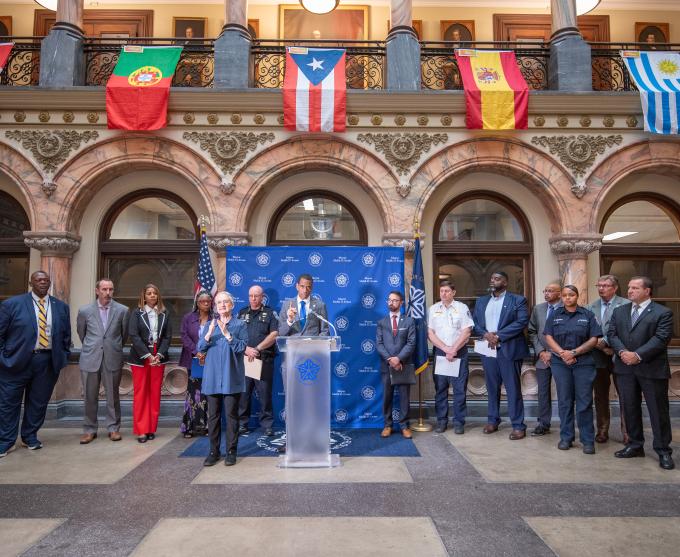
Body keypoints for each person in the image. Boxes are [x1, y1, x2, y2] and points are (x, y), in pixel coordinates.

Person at [0, 271, 71, 457]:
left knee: (38, 403)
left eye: (46, 280)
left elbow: (65, 336)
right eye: (39, 280)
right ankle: (6, 441)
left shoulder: (60, 307)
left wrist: (62, 355)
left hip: (46, 362)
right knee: (9, 403)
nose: (43, 283)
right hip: (15, 362)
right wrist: (4, 358)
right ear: (31, 282)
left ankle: (29, 436)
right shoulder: (12, 305)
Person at [607, 276, 675, 470]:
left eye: (635, 288)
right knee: (629, 408)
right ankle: (635, 446)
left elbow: (661, 338)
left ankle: (663, 451)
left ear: (647, 291)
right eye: (629, 288)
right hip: (625, 368)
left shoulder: (663, 312)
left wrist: (637, 355)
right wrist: (622, 353)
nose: (629, 291)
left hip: (651, 368)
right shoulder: (620, 311)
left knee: (657, 411)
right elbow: (612, 334)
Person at [543, 285, 602, 454]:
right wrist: (563, 354)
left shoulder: (588, 315)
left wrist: (575, 352)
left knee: (584, 402)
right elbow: (548, 336)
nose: (568, 298)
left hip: (583, 362)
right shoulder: (554, 315)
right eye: (565, 295)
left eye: (571, 295)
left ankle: (587, 440)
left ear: (577, 296)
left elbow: (594, 339)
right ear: (561, 297)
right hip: (560, 363)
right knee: (565, 401)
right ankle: (566, 437)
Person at [473, 271, 529, 440]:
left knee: (512, 389)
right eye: (492, 278)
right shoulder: (482, 301)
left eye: (497, 278)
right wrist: (485, 334)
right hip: (487, 349)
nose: (493, 280)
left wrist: (498, 336)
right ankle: (493, 420)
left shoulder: (517, 300)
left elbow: (521, 322)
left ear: (505, 282)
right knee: (491, 387)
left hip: (508, 349)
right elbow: (475, 323)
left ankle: (518, 425)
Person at [77, 278, 129, 444]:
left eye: (111, 289)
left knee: (113, 395)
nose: (108, 293)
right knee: (89, 396)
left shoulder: (122, 310)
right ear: (97, 290)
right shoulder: (85, 311)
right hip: (90, 358)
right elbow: (82, 333)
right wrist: (94, 345)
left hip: (112, 357)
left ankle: (113, 428)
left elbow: (124, 334)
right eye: (104, 289)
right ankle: (89, 429)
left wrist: (112, 347)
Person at [199, 291, 248, 467]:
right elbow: (200, 348)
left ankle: (231, 452)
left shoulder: (240, 324)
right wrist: (209, 332)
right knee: (213, 417)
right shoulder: (209, 324)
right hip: (212, 378)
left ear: (232, 305)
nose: (222, 305)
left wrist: (227, 333)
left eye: (225, 302)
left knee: (231, 416)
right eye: (218, 303)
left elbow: (241, 347)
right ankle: (213, 452)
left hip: (230, 377)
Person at [586, 274, 630, 444]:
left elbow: (626, 330)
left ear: (615, 288)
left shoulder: (625, 304)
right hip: (598, 357)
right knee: (600, 395)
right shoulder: (591, 306)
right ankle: (602, 430)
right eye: (599, 285)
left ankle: (627, 432)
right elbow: (589, 329)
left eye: (605, 285)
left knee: (625, 395)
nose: (601, 288)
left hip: (620, 355)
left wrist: (610, 345)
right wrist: (601, 344)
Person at [427, 280, 473, 434]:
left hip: (459, 353)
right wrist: (445, 348)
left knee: (459, 390)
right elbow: (430, 333)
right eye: (441, 291)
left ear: (453, 292)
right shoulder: (433, 309)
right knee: (441, 389)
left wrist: (453, 349)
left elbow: (466, 331)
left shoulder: (462, 308)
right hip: (441, 353)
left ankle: (459, 422)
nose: (443, 294)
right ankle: (441, 421)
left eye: (447, 291)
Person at [128, 284, 172, 444]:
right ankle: (141, 430)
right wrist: (148, 356)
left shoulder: (165, 313)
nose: (152, 295)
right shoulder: (136, 313)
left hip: (158, 356)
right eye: (149, 293)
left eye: (155, 293)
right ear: (144, 296)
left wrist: (158, 354)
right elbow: (133, 335)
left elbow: (167, 337)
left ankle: (151, 428)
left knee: (154, 393)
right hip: (141, 357)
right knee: (141, 394)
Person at [237, 285, 278, 437]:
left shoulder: (270, 313)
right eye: (251, 296)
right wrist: (247, 349)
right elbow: (235, 335)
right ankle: (242, 424)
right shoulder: (241, 313)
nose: (253, 299)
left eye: (256, 296)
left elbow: (274, 334)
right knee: (244, 393)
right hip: (246, 358)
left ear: (262, 297)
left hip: (263, 359)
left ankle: (267, 425)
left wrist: (258, 349)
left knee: (265, 394)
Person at [376, 291, 416, 439]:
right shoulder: (381, 322)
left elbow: (411, 343)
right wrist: (390, 359)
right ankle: (387, 425)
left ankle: (405, 426)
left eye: (395, 300)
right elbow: (379, 344)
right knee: (387, 396)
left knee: (404, 397)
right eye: (389, 300)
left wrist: (399, 359)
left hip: (403, 365)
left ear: (401, 303)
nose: (391, 303)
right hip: (387, 366)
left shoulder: (409, 321)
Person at [527, 282, 562, 437]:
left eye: (550, 291)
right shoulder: (538, 309)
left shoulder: (566, 307)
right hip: (542, 358)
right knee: (542, 392)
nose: (546, 293)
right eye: (545, 290)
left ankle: (566, 424)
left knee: (564, 392)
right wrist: (541, 351)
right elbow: (532, 331)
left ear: (559, 293)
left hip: (561, 357)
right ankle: (543, 424)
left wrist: (553, 352)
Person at [179, 290, 213, 439]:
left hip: (210, 360)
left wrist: (205, 353)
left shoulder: (215, 318)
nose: (205, 303)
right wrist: (196, 351)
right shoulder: (188, 318)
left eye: (208, 301)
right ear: (197, 303)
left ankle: (204, 425)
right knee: (193, 393)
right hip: (193, 361)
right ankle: (190, 426)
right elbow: (184, 336)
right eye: (202, 301)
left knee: (207, 393)